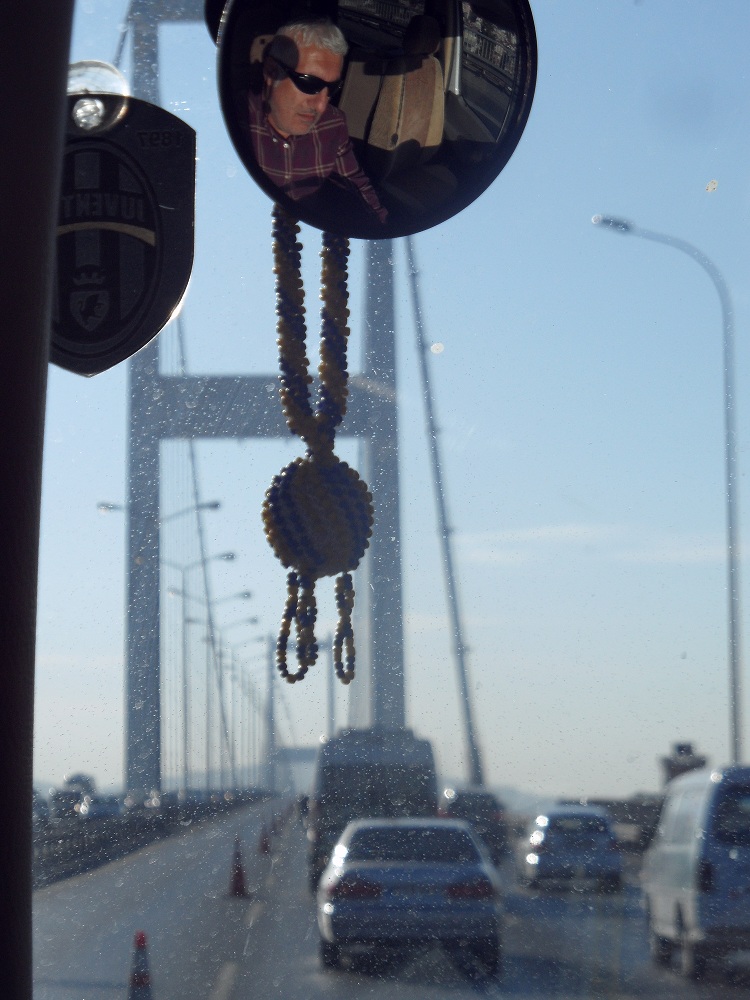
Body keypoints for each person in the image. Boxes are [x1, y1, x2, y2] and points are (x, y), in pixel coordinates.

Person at [246, 19, 387, 231]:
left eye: (331, 88)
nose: (321, 106)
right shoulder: (238, 123)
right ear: (271, 72)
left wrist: (382, 230)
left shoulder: (332, 123)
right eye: (309, 84)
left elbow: (358, 185)